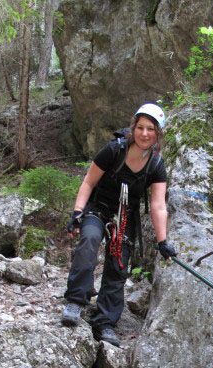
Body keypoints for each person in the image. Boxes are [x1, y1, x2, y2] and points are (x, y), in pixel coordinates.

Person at [60, 103, 177, 347]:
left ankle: (104, 322)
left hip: (125, 217)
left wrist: (162, 241)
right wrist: (78, 212)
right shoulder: (114, 150)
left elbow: (158, 205)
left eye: (151, 129)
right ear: (134, 128)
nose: (145, 133)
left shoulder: (156, 165)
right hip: (99, 208)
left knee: (118, 265)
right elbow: (88, 183)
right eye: (141, 127)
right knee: (90, 240)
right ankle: (75, 301)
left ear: (158, 134)